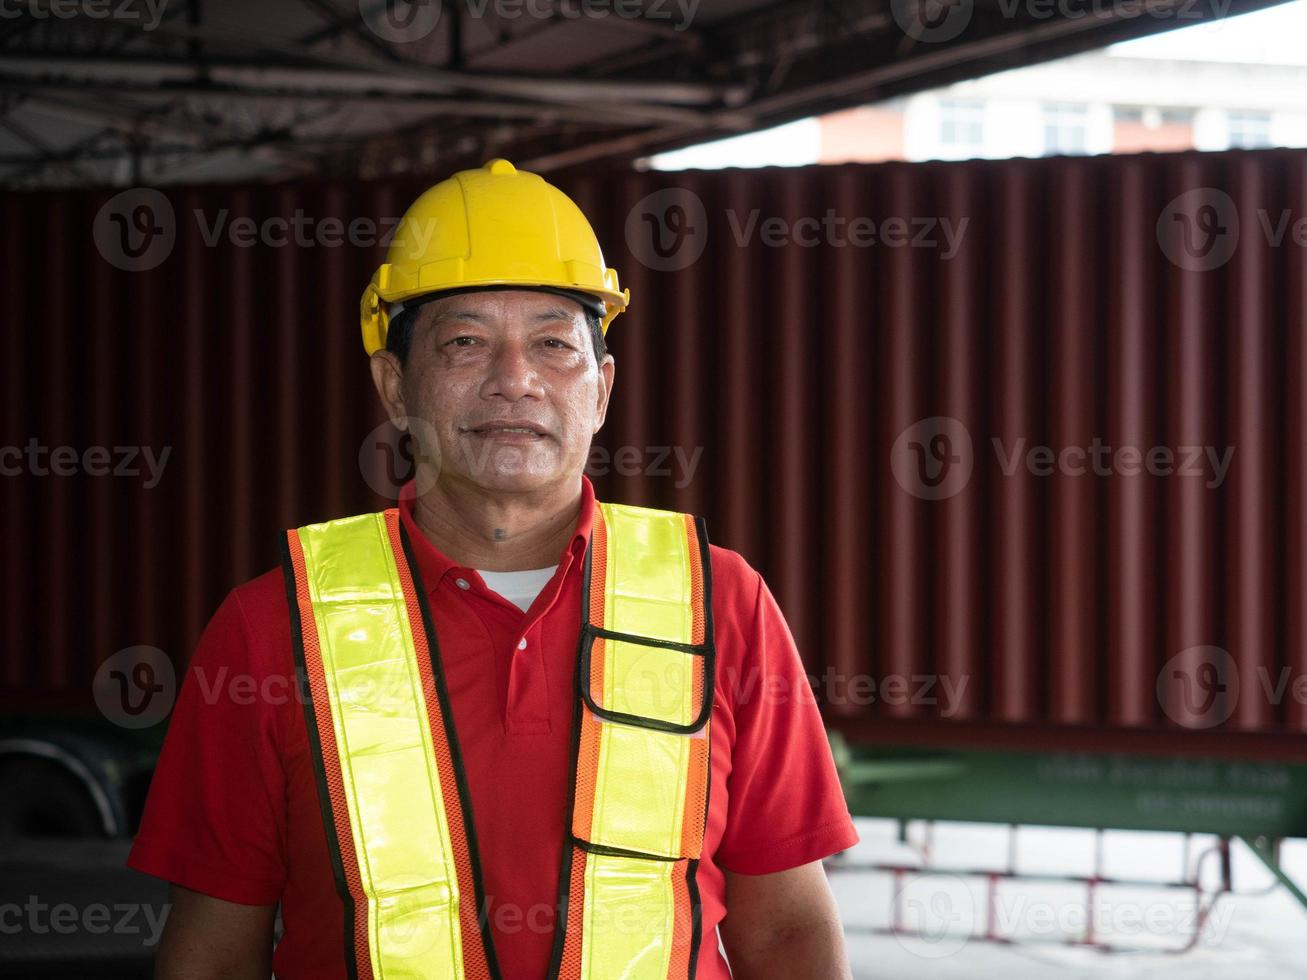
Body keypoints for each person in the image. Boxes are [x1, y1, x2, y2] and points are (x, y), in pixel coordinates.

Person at [127, 158, 859, 979]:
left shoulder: (720, 603)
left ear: (603, 389)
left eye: (553, 344)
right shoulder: (272, 627)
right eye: (466, 342)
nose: (515, 380)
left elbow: (788, 930)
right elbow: (211, 954)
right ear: (394, 386)